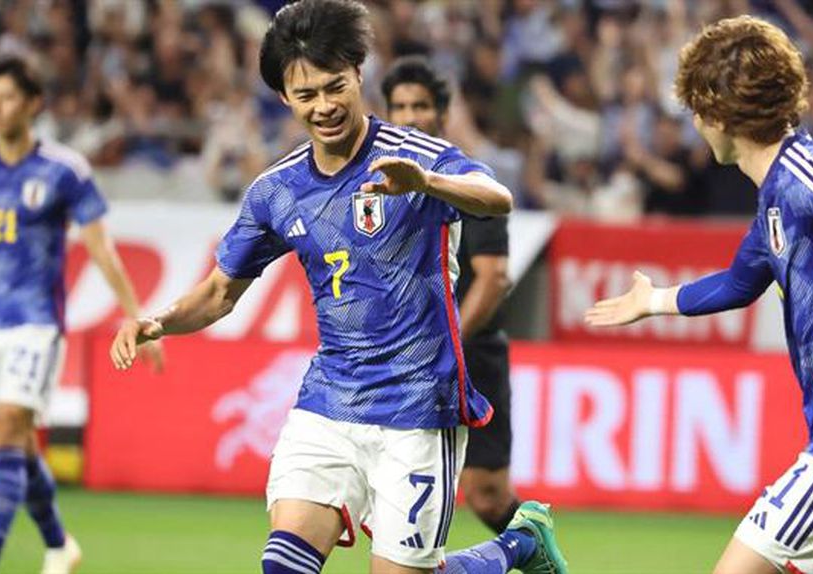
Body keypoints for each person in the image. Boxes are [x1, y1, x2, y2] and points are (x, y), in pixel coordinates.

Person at [109, 2, 567, 573]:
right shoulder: (277, 191)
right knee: (284, 565)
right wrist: (156, 321)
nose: (323, 106)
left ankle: (517, 543)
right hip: (330, 403)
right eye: (306, 95)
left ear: (358, 73)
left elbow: (497, 198)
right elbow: (220, 292)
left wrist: (426, 183)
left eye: (335, 87)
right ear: (285, 97)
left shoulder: (413, 157)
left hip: (418, 405)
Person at [585, 16, 813, 574]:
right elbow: (738, 283)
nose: (696, 124)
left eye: (697, 110)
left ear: (720, 114)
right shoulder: (778, 191)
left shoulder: (808, 181)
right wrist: (654, 300)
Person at [0, 57, 164, 574]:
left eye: (8, 98)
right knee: (14, 442)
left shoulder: (63, 170)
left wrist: (140, 321)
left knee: (9, 426)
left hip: (37, 324)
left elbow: (103, 250)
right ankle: (60, 545)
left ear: (33, 104)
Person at [381, 55, 522, 536]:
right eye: (400, 107)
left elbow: (492, 279)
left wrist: (445, 344)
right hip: (398, 357)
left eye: (420, 106)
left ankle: (542, 554)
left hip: (469, 355)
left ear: (441, 113)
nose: (409, 117)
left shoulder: (470, 182)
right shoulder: (374, 183)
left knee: (487, 495)